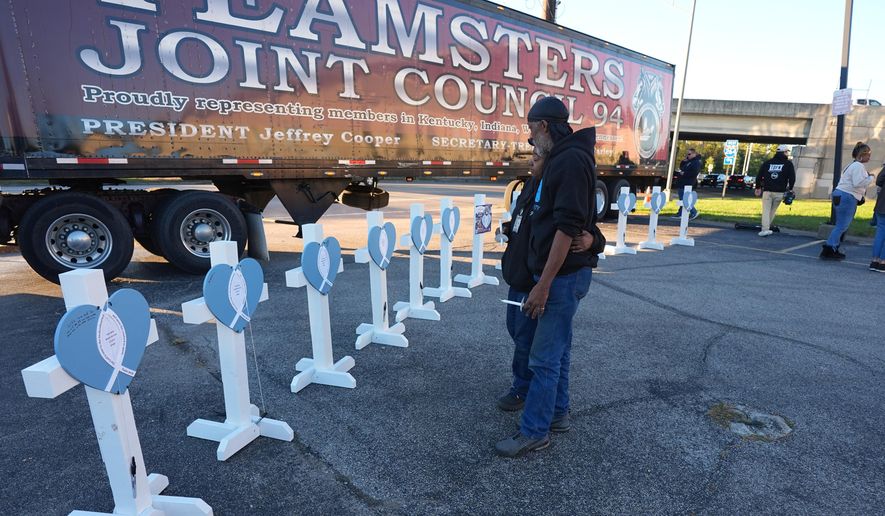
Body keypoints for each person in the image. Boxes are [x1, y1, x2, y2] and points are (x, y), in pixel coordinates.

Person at [495, 96, 596, 458]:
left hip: (561, 278)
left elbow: (567, 230)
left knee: (544, 358)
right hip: (562, 276)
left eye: (530, 129)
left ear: (543, 126)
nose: (530, 139)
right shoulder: (562, 159)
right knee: (558, 351)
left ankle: (534, 431)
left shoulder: (568, 161)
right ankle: (557, 415)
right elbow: (573, 222)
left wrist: (543, 284)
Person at [821, 141, 876, 260]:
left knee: (840, 225)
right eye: (868, 154)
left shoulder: (851, 165)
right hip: (847, 196)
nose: (870, 157)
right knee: (842, 226)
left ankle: (831, 247)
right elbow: (858, 183)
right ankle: (830, 249)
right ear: (862, 155)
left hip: (840, 194)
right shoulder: (858, 166)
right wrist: (871, 178)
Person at [754, 144, 796, 236]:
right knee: (772, 211)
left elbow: (759, 176)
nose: (787, 154)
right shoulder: (788, 164)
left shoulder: (767, 163)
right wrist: (791, 189)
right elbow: (792, 178)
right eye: (787, 152)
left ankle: (765, 229)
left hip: (767, 191)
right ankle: (766, 229)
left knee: (766, 210)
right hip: (780, 192)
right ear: (784, 152)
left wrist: (758, 187)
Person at [673, 148, 701, 219]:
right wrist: (683, 161)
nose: (687, 156)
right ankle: (680, 213)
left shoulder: (696, 162)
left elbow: (694, 173)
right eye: (687, 154)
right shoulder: (689, 162)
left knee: (684, 199)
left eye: (689, 154)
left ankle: (693, 212)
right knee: (682, 199)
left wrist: (684, 173)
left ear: (694, 154)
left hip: (687, 183)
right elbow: (682, 168)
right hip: (683, 182)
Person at [870, 164, 885, 271]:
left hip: (882, 203)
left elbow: (879, 180)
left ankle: (874, 261)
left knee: (880, 233)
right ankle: (883, 262)